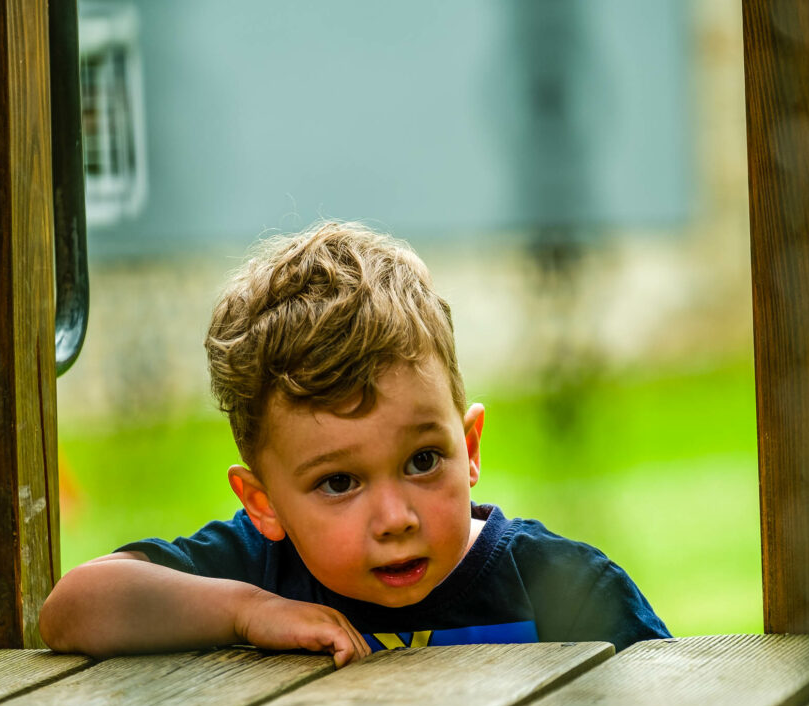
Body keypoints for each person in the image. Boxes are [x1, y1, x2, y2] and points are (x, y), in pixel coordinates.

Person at [39, 222, 670, 666]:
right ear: (264, 504)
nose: (396, 519)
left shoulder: (564, 588)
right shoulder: (260, 572)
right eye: (339, 482)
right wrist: (244, 612)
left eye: (424, 461)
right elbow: (71, 609)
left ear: (470, 446)